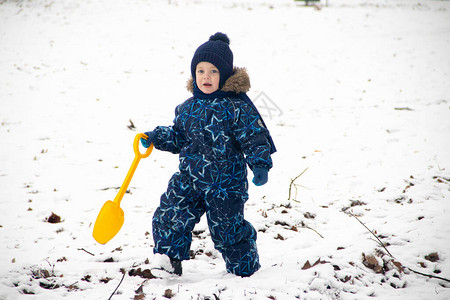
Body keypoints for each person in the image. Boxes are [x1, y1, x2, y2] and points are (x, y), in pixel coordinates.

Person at [141, 32, 276, 277]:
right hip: (189, 179)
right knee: (171, 214)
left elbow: (254, 137)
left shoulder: (237, 108)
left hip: (225, 184)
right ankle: (168, 261)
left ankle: (244, 268)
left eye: (213, 71)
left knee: (227, 229)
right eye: (200, 71)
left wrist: (260, 165)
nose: (206, 77)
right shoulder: (187, 107)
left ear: (224, 75)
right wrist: (158, 137)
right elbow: (179, 137)